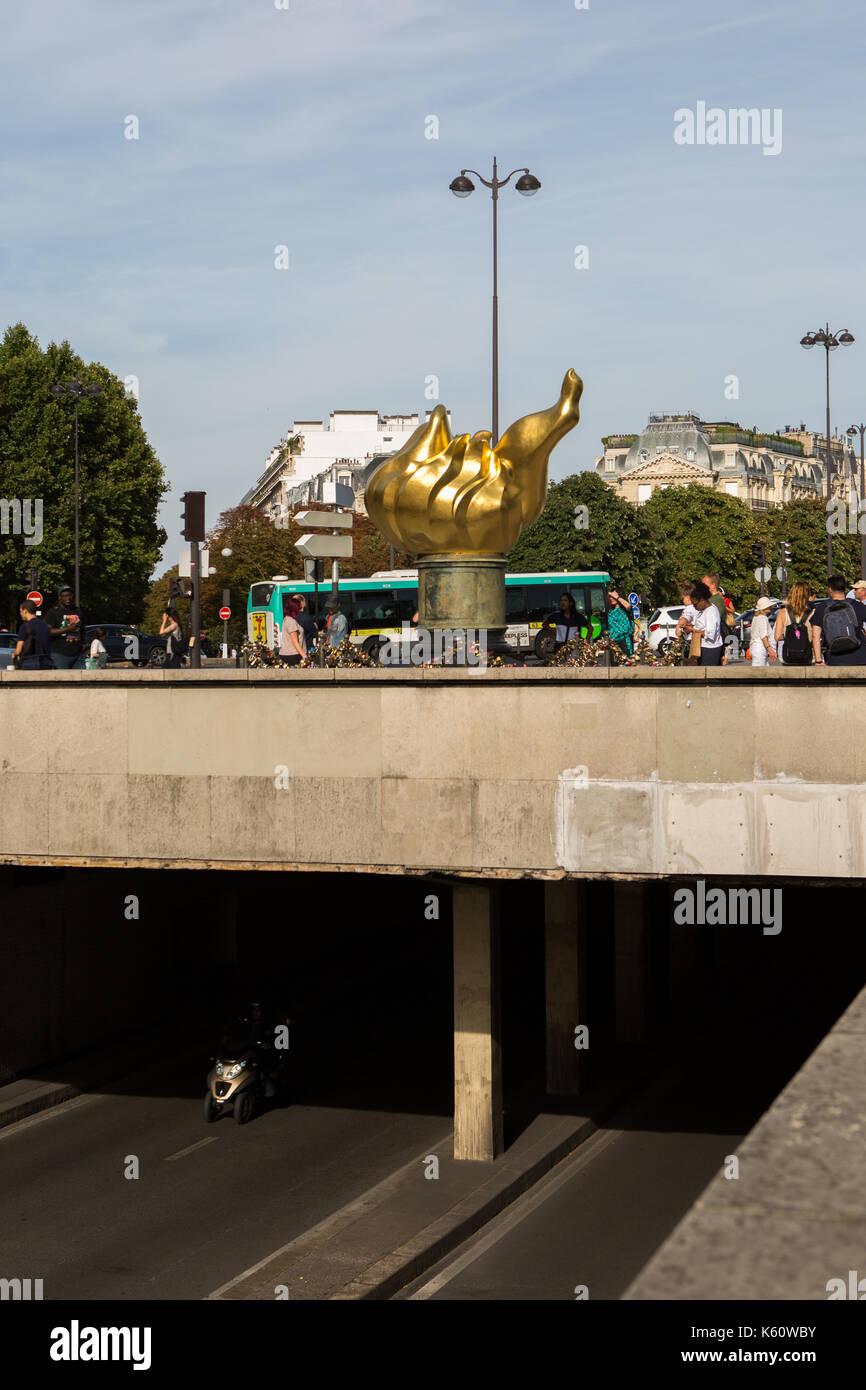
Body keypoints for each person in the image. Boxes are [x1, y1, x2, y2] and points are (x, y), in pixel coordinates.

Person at [810, 575, 866, 667]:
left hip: (835, 658)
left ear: (830, 589)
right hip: (859, 657)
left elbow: (815, 635)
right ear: (844, 588)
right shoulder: (856, 605)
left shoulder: (822, 607)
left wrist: (818, 660)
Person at [44, 584, 86, 669]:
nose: (68, 598)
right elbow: (48, 631)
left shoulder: (77, 611)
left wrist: (84, 643)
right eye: (65, 596)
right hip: (59, 654)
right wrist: (67, 629)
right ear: (60, 598)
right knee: (62, 680)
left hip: (77, 654)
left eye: (70, 595)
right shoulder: (53, 612)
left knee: (82, 679)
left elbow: (83, 628)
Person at [773, 582, 815, 666]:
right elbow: (815, 636)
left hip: (788, 658)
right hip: (807, 657)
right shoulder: (813, 612)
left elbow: (777, 637)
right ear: (807, 595)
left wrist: (790, 635)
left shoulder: (782, 613)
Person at [686, 580, 724, 665]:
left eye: (695, 604)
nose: (694, 607)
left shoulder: (711, 611)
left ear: (702, 600)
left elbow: (710, 634)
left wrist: (692, 630)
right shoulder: (703, 611)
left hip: (710, 650)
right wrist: (692, 627)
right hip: (703, 648)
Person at [14, 600, 54, 670]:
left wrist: (14, 654)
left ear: (25, 611)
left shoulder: (24, 627)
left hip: (29, 662)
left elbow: (18, 650)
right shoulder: (45, 626)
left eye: (20, 611)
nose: (20, 614)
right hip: (45, 662)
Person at [606, 585, 634, 656]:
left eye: (613, 597)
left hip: (624, 640)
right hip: (613, 642)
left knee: (626, 663)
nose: (612, 598)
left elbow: (628, 606)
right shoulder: (610, 611)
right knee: (614, 665)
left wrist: (617, 597)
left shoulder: (624, 610)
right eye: (610, 597)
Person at [749, 596, 777, 666]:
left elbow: (752, 634)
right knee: (759, 673)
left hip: (754, 647)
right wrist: (770, 650)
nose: (770, 607)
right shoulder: (763, 618)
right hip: (760, 648)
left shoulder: (755, 618)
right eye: (769, 606)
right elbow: (763, 636)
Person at [279, 598, 306, 665]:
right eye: (299, 608)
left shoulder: (286, 619)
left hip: (288, 654)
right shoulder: (291, 621)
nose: (300, 610)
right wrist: (304, 656)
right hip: (293, 655)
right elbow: (295, 641)